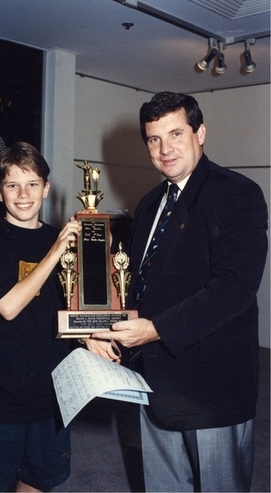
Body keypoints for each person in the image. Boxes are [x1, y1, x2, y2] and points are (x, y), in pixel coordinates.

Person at [87, 92, 268, 492]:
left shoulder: (237, 193)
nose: (164, 148)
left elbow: (234, 289)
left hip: (212, 386)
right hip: (155, 380)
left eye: (175, 133)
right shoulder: (152, 201)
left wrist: (155, 330)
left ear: (200, 133)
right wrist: (100, 324)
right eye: (153, 139)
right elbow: (137, 281)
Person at [0, 142, 82, 492]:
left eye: (32, 184)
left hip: (52, 393)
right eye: (12, 185)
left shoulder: (62, 239)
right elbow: (8, 306)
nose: (23, 194)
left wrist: (95, 336)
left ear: (46, 188)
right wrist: (56, 251)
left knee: (38, 480)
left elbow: (71, 311)